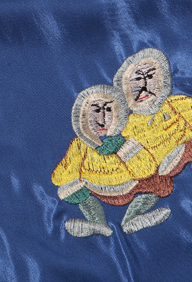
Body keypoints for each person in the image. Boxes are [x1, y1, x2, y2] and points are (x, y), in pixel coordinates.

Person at [52, 84, 158, 236]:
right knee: (68, 188)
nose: (101, 120)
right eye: (95, 111)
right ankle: (98, 223)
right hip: (95, 187)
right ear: (82, 116)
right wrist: (76, 175)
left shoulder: (127, 138)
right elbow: (60, 175)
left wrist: (124, 149)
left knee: (158, 179)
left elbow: (146, 167)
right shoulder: (80, 145)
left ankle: (132, 218)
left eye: (108, 110)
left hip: (130, 185)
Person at [110, 48, 192, 231]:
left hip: (182, 152)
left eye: (150, 77)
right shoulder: (130, 125)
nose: (144, 85)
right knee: (154, 184)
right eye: (137, 80)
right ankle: (131, 219)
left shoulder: (177, 104)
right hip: (155, 168)